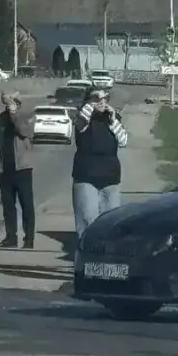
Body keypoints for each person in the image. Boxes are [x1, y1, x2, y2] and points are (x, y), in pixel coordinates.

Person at [72, 86, 128, 242]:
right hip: (86, 176)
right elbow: (80, 125)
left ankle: (107, 253)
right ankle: (87, 252)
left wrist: (113, 120)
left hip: (111, 177)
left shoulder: (112, 118)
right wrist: (91, 104)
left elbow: (123, 141)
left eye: (105, 98)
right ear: (88, 101)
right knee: (88, 221)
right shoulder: (83, 118)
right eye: (97, 98)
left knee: (111, 222)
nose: (102, 102)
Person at [0, 91, 35, 250]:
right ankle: (11, 237)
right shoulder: (1, 118)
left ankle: (29, 239)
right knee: (8, 206)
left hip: (22, 168)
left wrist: (14, 114)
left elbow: (24, 131)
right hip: (5, 168)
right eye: (7, 102)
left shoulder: (27, 116)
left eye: (11, 102)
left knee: (26, 205)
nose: (8, 105)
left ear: (18, 103)